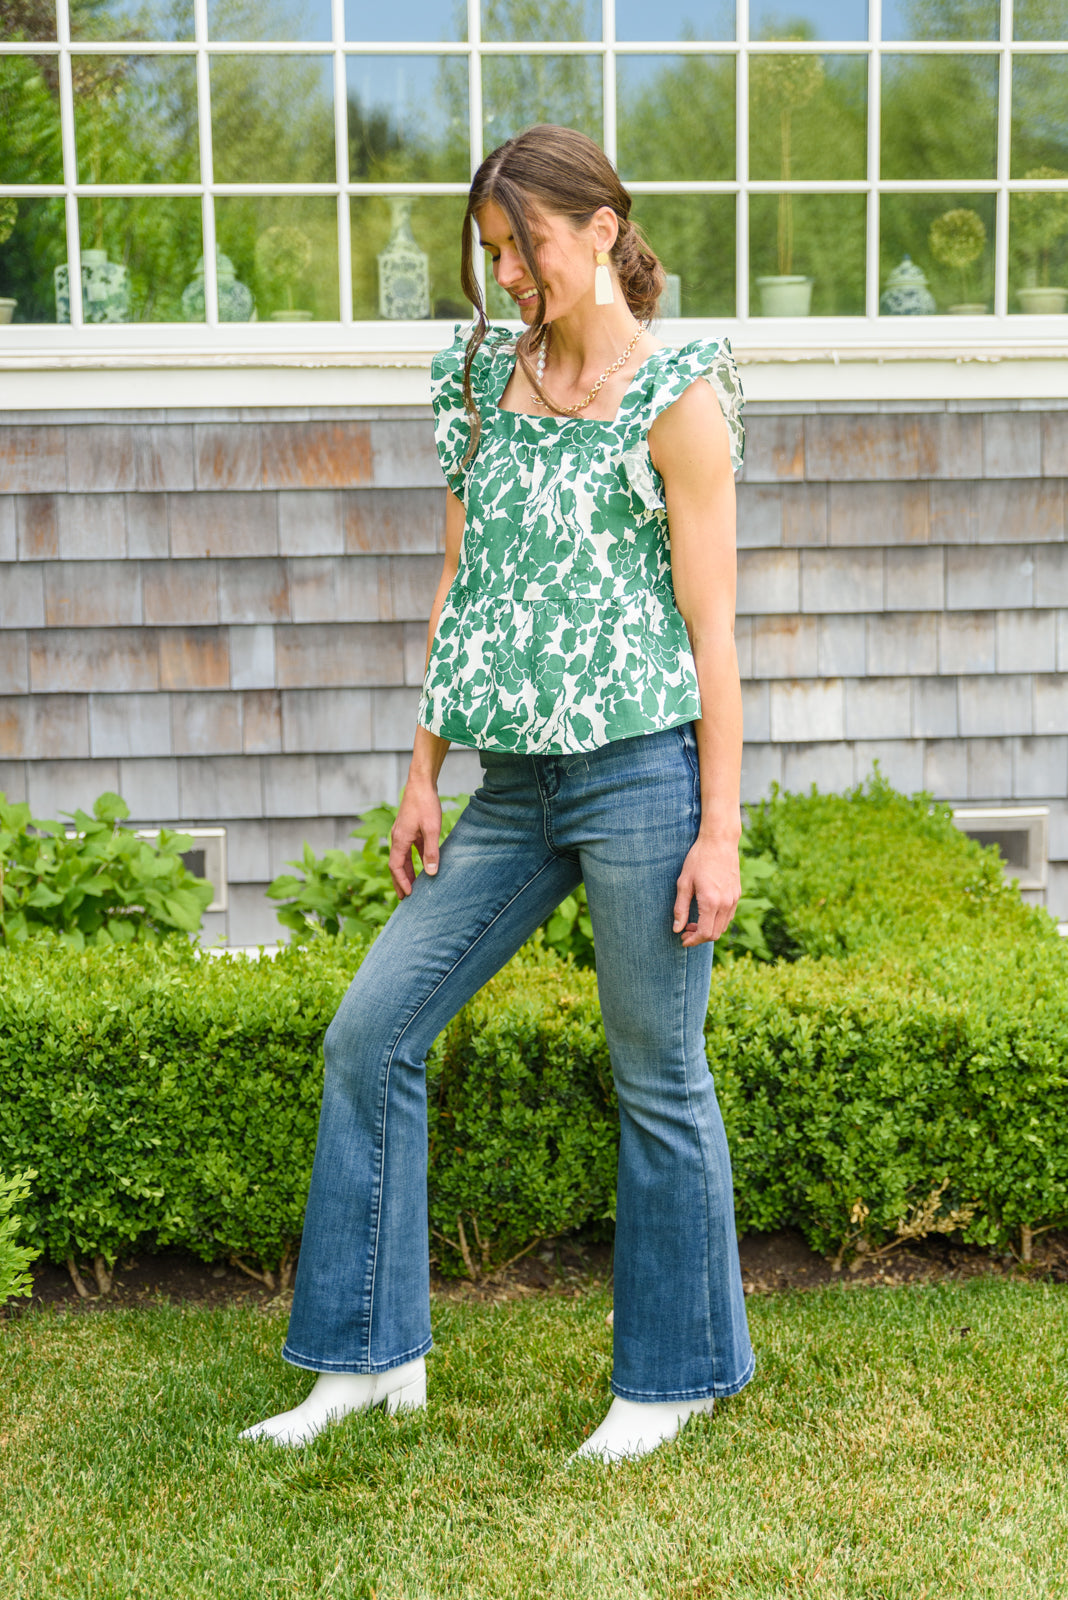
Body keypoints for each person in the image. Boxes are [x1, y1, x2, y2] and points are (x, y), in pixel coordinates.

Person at [241, 124, 754, 1463]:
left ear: (600, 226)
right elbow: (460, 584)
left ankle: (674, 1378)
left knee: (658, 1077)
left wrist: (720, 827)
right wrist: (420, 768)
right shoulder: (479, 380)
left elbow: (715, 633)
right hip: (512, 786)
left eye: (524, 245)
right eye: (493, 252)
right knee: (372, 1035)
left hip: (644, 768)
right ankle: (366, 1359)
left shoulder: (677, 394)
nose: (509, 272)